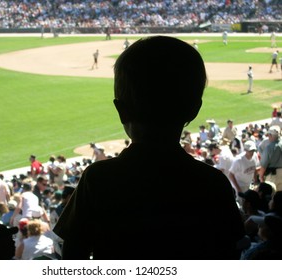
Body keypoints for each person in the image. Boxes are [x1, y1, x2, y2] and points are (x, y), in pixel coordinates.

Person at [53, 36, 245, 260]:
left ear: (121, 110)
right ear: (194, 110)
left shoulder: (97, 179)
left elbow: (73, 257)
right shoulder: (213, 183)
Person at [259, 126, 282, 191]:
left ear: (271, 135)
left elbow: (264, 164)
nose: (268, 137)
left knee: (273, 196)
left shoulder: (269, 147)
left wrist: (261, 176)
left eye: (268, 135)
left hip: (274, 175)